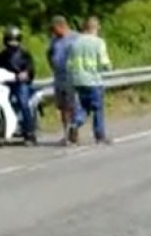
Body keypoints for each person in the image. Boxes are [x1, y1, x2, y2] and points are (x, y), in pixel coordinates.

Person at [66, 16, 113, 145]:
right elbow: (104, 62)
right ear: (94, 28)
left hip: (78, 81)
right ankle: (100, 136)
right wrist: (109, 67)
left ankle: (75, 123)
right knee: (97, 108)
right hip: (93, 80)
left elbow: (69, 64)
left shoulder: (74, 43)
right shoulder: (98, 42)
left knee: (85, 106)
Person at [0, 26, 37, 145]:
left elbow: (31, 68)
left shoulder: (24, 54)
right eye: (10, 40)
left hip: (20, 83)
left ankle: (29, 132)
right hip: (5, 83)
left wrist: (26, 73)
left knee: (23, 102)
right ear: (5, 40)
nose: (12, 43)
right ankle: (0, 130)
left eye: (15, 39)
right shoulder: (2, 55)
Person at [47, 15, 78, 144]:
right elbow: (49, 53)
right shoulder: (54, 40)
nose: (53, 32)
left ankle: (74, 132)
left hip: (72, 77)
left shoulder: (75, 38)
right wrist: (52, 65)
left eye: (55, 29)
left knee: (72, 106)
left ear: (61, 26)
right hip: (59, 77)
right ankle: (66, 133)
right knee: (62, 107)